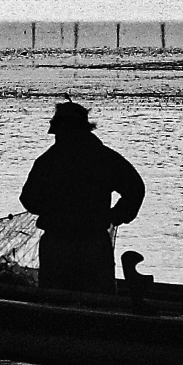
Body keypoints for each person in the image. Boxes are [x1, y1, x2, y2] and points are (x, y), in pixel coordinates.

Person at [20, 101, 145, 294]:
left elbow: (28, 199)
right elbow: (135, 189)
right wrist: (116, 216)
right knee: (98, 302)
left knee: (55, 302)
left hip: (60, 245)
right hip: (92, 244)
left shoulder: (49, 161)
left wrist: (54, 211)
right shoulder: (104, 157)